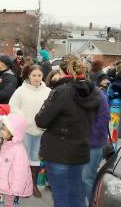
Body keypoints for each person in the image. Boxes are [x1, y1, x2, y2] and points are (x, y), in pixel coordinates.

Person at [35, 55, 101, 207]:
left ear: (62, 71)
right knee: (77, 196)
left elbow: (41, 120)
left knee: (62, 197)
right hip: (82, 151)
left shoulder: (61, 92)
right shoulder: (94, 92)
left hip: (60, 152)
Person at [9, 65, 51, 198]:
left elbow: (52, 108)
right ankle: (22, 185)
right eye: (34, 75)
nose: (37, 78)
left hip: (41, 130)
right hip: (25, 130)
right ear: (28, 76)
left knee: (36, 158)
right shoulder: (20, 91)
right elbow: (12, 106)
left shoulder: (48, 91)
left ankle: (33, 184)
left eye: (39, 75)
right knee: (23, 158)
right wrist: (23, 118)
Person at [0, 113, 33, 207]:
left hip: (11, 186)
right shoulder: (7, 144)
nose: (1, 131)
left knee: (8, 203)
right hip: (5, 182)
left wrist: (16, 189)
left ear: (13, 133)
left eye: (4, 130)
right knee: (5, 201)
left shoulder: (18, 150)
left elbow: (20, 172)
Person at [82, 90, 110, 202]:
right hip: (76, 144)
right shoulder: (69, 91)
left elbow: (104, 119)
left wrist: (90, 136)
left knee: (87, 177)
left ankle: (93, 203)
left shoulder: (98, 94)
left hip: (93, 144)